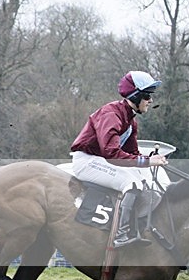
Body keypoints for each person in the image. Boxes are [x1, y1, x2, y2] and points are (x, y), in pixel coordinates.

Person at [70, 71, 168, 247]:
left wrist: (151, 159)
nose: (151, 100)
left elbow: (132, 154)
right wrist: (146, 162)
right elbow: (112, 153)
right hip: (87, 161)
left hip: (100, 161)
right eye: (147, 95)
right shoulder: (111, 114)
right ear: (135, 95)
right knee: (132, 183)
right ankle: (120, 236)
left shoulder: (130, 121)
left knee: (140, 179)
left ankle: (131, 230)